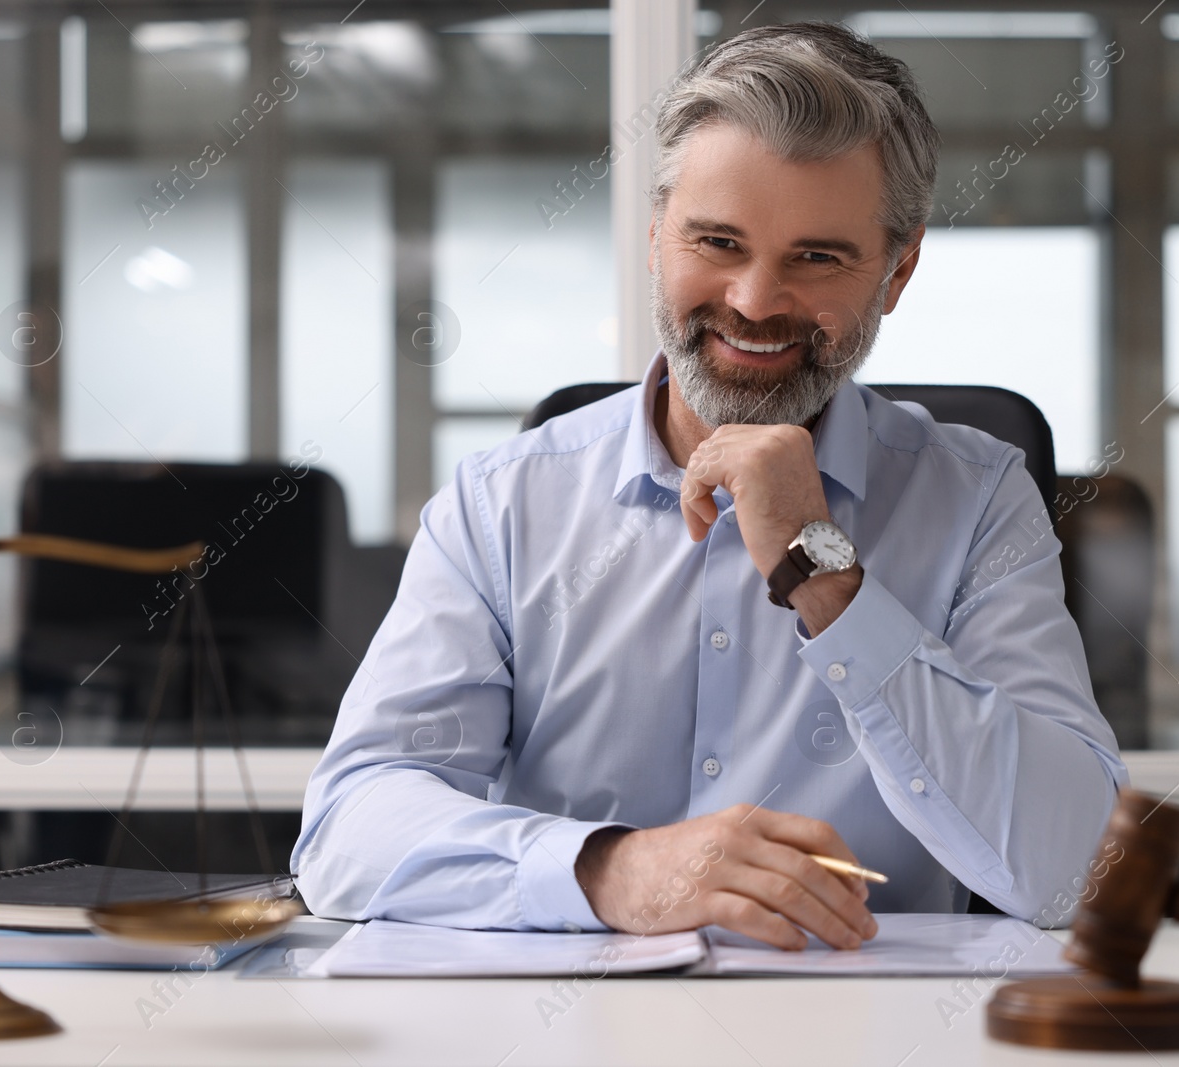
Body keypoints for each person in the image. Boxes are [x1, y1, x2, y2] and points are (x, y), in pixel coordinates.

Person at [293, 21, 1125, 951]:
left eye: (818, 257)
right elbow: (346, 833)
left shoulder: (976, 501)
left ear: (898, 271)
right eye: (718, 241)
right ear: (654, 239)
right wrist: (611, 868)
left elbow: (1072, 867)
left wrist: (825, 571)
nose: (755, 301)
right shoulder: (501, 504)